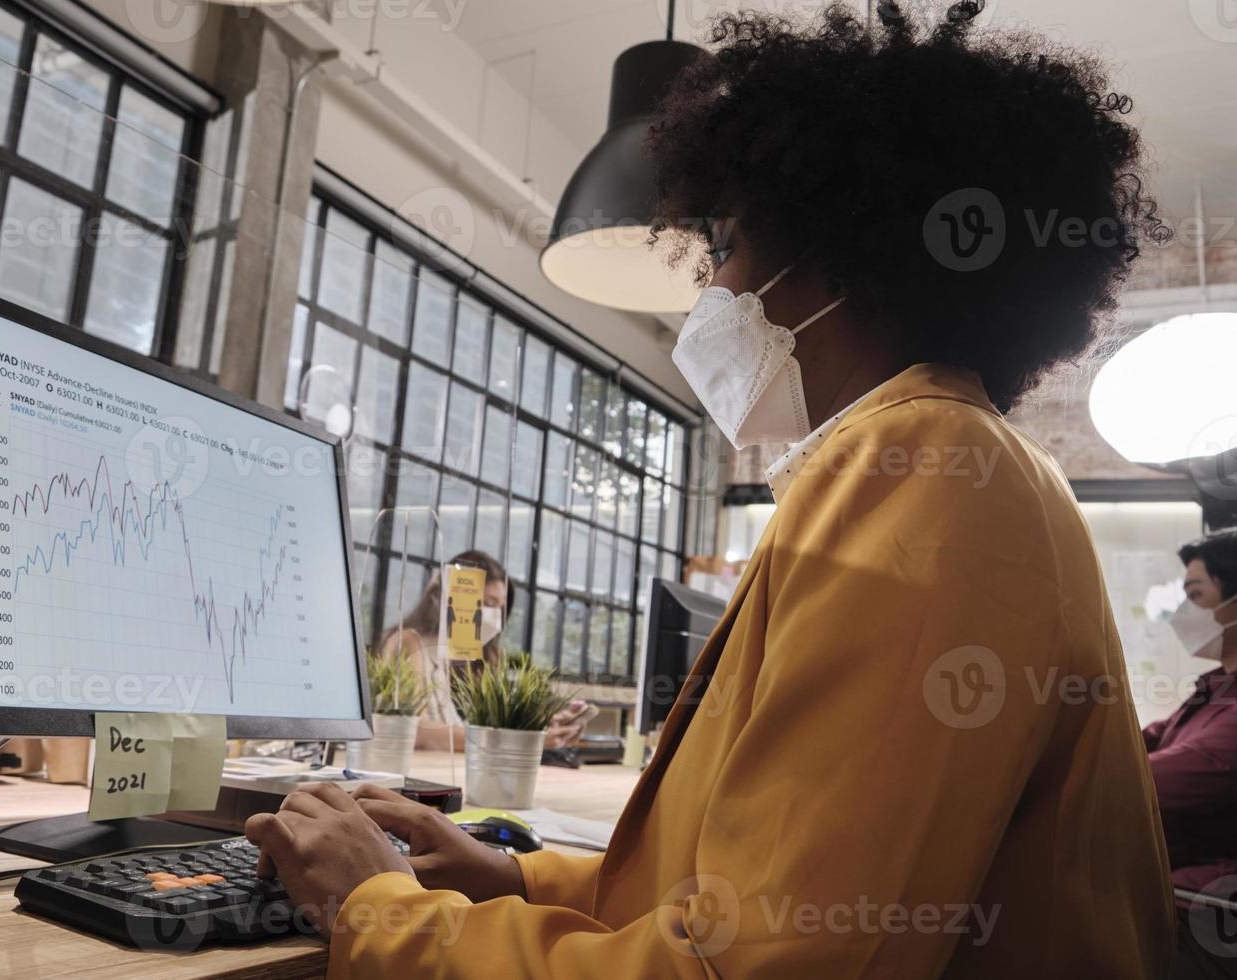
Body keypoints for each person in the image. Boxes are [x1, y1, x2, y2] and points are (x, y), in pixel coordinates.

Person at [246, 5, 1173, 975]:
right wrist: (514, 876)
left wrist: (379, 906)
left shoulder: (921, 475)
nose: (711, 289)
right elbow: (753, 888)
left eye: (727, 243)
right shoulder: (944, 461)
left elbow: (747, 966)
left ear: (839, 255)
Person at [375, 549, 591, 752]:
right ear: (448, 597)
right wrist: (518, 743)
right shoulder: (410, 643)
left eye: (499, 606)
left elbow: (488, 726)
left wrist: (539, 726)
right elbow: (416, 731)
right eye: (486, 603)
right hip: (427, 771)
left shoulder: (484, 656)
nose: (494, 614)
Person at [1145, 530, 1237, 977]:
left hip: (1213, 913)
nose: (1184, 612)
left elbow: (1162, 782)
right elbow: (1145, 741)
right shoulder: (1215, 688)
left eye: (1196, 594)